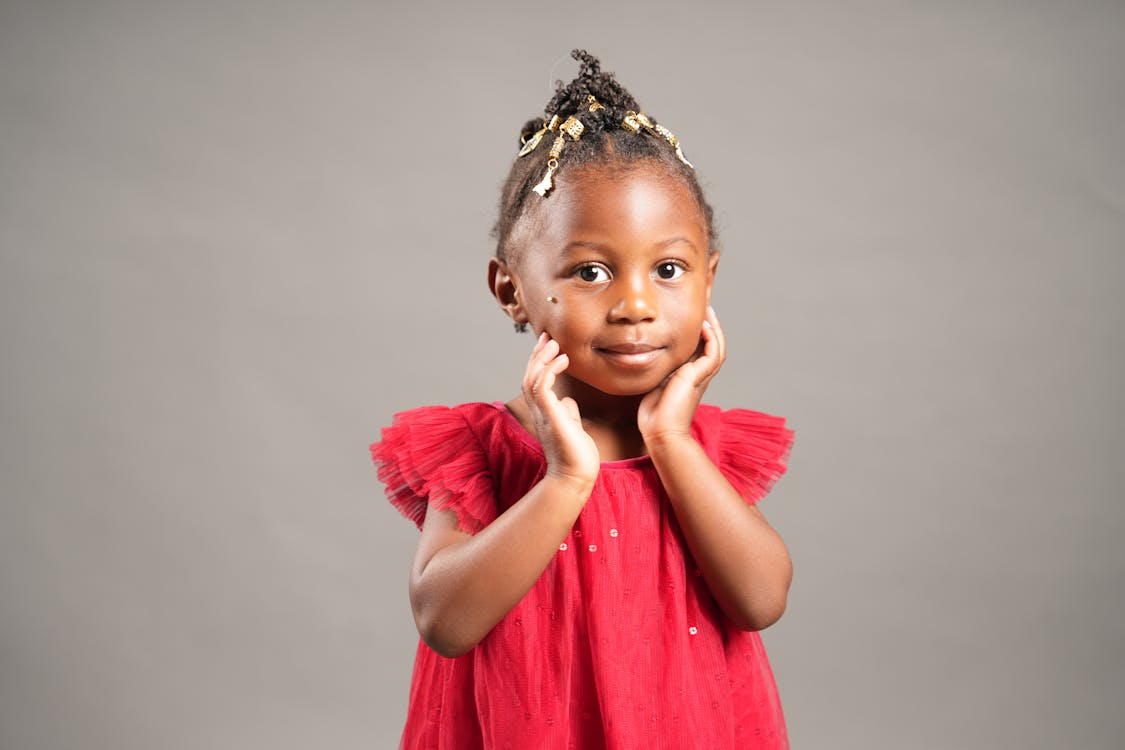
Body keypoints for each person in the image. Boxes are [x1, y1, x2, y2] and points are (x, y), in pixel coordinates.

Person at [371, 49, 795, 749]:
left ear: (707, 279)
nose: (634, 304)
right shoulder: (477, 448)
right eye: (591, 271)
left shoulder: (700, 447)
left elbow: (760, 600)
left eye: (667, 269)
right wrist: (567, 478)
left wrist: (672, 443)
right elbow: (444, 621)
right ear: (510, 288)